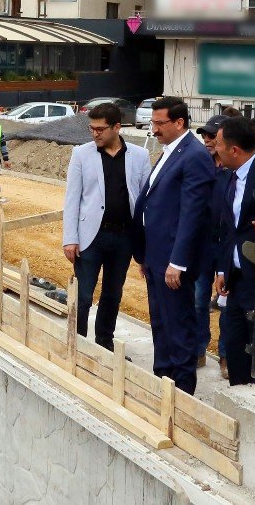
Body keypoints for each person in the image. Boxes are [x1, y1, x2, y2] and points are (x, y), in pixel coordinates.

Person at [133, 97, 215, 394]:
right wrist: (144, 254)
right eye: (152, 123)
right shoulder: (170, 151)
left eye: (159, 123)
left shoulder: (194, 155)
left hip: (173, 262)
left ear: (179, 123)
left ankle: (181, 393)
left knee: (178, 328)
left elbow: (192, 213)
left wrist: (177, 262)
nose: (153, 129)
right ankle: (163, 382)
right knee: (160, 325)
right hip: (156, 257)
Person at [62, 103, 151, 350]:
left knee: (113, 294)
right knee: (84, 295)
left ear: (117, 127)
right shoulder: (81, 154)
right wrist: (70, 238)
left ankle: (104, 343)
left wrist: (144, 242)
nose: (95, 134)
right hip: (91, 237)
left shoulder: (140, 156)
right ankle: (77, 344)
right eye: (92, 128)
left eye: (100, 129)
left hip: (124, 238)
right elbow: (72, 198)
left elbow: (145, 201)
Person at [214, 117, 255, 385]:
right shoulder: (229, 177)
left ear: (234, 149)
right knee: (234, 342)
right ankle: (238, 391)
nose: (215, 149)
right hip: (235, 279)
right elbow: (228, 229)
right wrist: (222, 269)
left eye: (219, 145)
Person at [194, 115, 229, 373]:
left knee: (227, 302)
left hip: (227, 246)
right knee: (198, 300)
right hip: (202, 245)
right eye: (204, 135)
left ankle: (226, 355)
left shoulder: (234, 170)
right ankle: (198, 350)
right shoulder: (200, 165)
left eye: (211, 136)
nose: (206, 139)